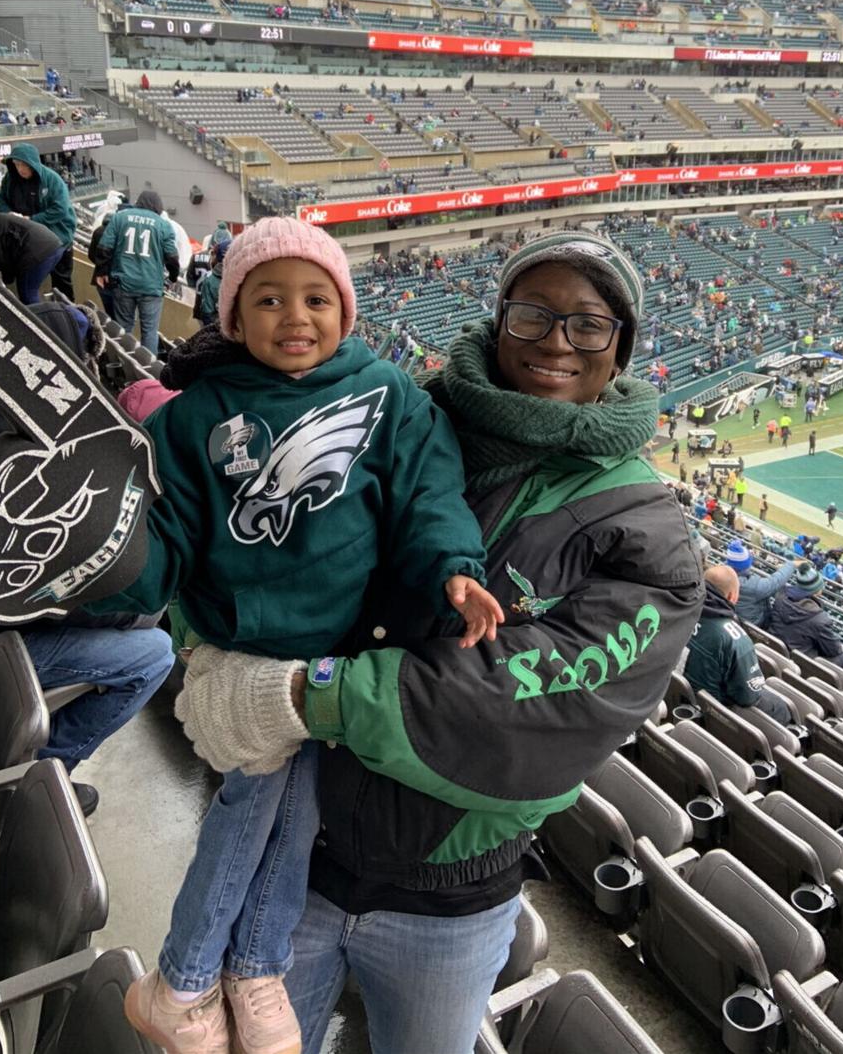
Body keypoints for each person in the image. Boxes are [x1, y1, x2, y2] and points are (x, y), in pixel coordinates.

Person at [150, 229, 705, 1054]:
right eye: (533, 314)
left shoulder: (645, 534)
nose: (556, 341)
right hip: (291, 859)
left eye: (588, 325)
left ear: (620, 347)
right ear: (498, 317)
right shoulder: (387, 407)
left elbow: (532, 709)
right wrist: (205, 650)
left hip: (450, 905)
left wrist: (305, 695)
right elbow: (233, 549)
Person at [102, 217, 503, 1053]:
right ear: (234, 318)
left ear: (345, 312)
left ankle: (234, 966)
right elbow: (166, 537)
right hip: (240, 648)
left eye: (317, 298)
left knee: (290, 803)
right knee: (256, 803)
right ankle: (193, 974)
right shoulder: (194, 418)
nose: (296, 316)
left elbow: (428, 497)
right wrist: (122, 575)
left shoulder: (389, 396)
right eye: (270, 299)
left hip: (333, 650)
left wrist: (455, 567)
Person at [0, 302, 176, 819]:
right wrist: (124, 613)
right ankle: (39, 774)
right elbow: (38, 597)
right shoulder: (31, 454)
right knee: (154, 652)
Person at [684, 564, 792, 724]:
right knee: (782, 709)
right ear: (732, 596)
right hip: (713, 713)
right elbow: (748, 696)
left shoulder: (679, 608)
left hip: (682, 694)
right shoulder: (735, 639)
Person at [97, 190, 179, 354]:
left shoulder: (120, 217)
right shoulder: (163, 225)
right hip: (151, 286)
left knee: (124, 328)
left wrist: (102, 271)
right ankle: (149, 373)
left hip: (123, 283)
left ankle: (123, 364)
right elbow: (172, 257)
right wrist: (173, 277)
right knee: (149, 331)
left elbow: (104, 246)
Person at [0, 143, 77, 298]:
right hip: (28, 238)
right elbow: (0, 198)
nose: (20, 169)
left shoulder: (52, 180)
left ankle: (69, 314)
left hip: (58, 237)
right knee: (27, 282)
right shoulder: (10, 179)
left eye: (24, 165)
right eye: (17, 165)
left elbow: (60, 209)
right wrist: (8, 214)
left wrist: (32, 220)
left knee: (62, 282)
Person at [771, 562, 843, 669]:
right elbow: (833, 651)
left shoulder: (781, 597)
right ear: (817, 591)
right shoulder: (819, 618)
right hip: (801, 664)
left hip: (776, 651)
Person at [725, 540, 795, 631]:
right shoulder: (752, 586)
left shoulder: (721, 574)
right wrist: (791, 564)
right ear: (745, 566)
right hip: (756, 625)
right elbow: (776, 581)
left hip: (736, 620)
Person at [195, 236, 229, 325]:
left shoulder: (210, 280)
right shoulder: (244, 278)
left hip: (216, 328)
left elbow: (207, 312)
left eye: (213, 254)